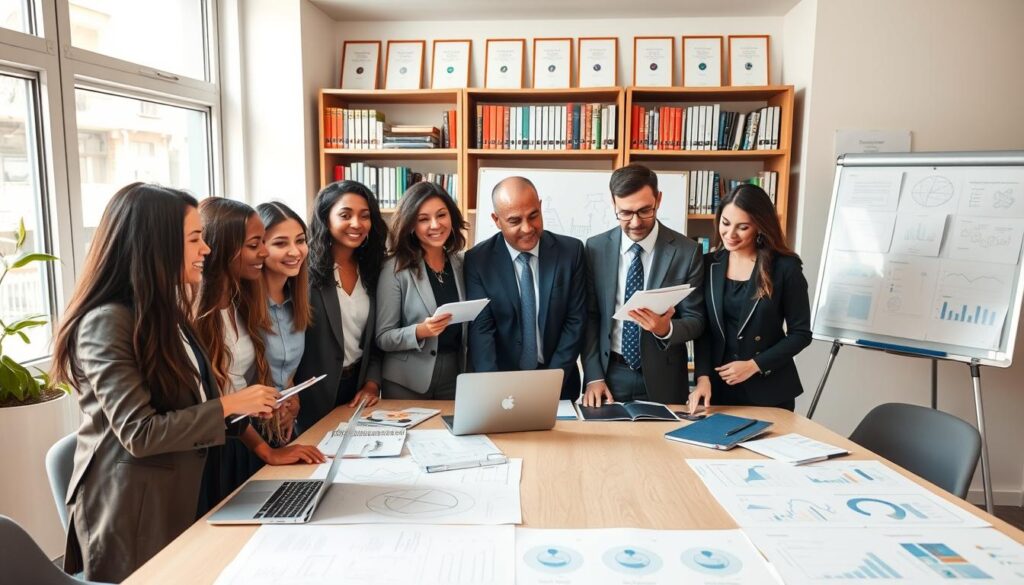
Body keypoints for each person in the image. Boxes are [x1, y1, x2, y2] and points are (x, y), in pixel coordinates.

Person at [51, 183, 279, 582]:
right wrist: (230, 404)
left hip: (184, 490)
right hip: (136, 513)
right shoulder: (105, 323)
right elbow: (140, 433)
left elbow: (195, 402)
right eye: (194, 239)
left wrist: (262, 442)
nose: (205, 250)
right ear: (155, 245)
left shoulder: (165, 311)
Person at [194, 198, 324, 496]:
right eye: (257, 244)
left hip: (255, 434)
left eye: (300, 240)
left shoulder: (240, 304)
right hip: (227, 444)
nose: (263, 253)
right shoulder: (208, 311)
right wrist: (265, 449)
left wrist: (290, 400)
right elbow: (226, 396)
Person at [582, 164, 705, 407]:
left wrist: (665, 328)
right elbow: (590, 317)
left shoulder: (686, 251)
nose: (635, 222)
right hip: (609, 375)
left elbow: (697, 319)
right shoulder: (595, 248)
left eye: (644, 211)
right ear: (613, 204)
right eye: (625, 213)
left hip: (665, 378)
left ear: (658, 200)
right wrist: (593, 376)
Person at [689, 183, 811, 412]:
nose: (730, 234)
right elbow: (704, 331)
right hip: (718, 388)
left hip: (769, 389)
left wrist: (754, 365)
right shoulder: (708, 264)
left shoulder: (785, 268)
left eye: (742, 227)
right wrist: (702, 378)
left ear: (759, 227)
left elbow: (801, 334)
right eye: (725, 224)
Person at [464, 176, 587, 399]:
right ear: (496, 220)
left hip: (559, 382)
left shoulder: (571, 252)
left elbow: (575, 321)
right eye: (514, 221)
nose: (527, 228)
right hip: (502, 385)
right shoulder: (478, 260)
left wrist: (551, 383)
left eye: (533, 215)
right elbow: (482, 329)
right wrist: (493, 389)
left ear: (540, 206)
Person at [295, 180, 387, 430]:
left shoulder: (376, 270)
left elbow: (378, 339)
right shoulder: (302, 271)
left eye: (365, 216)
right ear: (326, 219)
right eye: (345, 215)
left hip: (358, 391)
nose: (357, 224)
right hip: (312, 396)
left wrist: (372, 383)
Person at [376, 182, 468, 399]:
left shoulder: (461, 264)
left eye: (441, 215)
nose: (435, 225)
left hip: (455, 377)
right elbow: (383, 337)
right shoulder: (394, 268)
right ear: (410, 225)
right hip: (406, 382)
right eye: (423, 219)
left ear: (451, 218)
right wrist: (420, 331)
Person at [257, 201, 313, 443]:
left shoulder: (297, 303)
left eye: (300, 241)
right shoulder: (241, 307)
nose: (295, 251)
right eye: (281, 243)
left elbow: (286, 373)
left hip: (281, 430)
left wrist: (293, 403)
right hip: (247, 432)